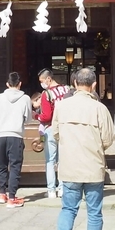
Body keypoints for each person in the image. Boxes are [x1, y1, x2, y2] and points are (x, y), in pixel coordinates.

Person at [52, 66, 114, 230]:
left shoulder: (61, 106)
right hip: (93, 165)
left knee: (68, 208)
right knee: (94, 211)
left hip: (70, 166)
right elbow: (107, 139)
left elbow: (55, 133)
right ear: (94, 85)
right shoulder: (100, 108)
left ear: (74, 83)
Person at [0, 71, 32, 208]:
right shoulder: (25, 98)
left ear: (7, 84)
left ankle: (2, 193)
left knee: (2, 164)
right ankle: (12, 196)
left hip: (1, 134)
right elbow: (28, 119)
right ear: (20, 84)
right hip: (16, 134)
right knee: (15, 166)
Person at [35, 68, 73, 199]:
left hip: (51, 128)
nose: (41, 84)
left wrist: (36, 116)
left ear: (48, 79)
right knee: (63, 160)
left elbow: (46, 116)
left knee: (50, 161)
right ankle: (62, 188)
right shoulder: (67, 90)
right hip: (66, 128)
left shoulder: (47, 94)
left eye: (42, 81)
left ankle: (51, 190)